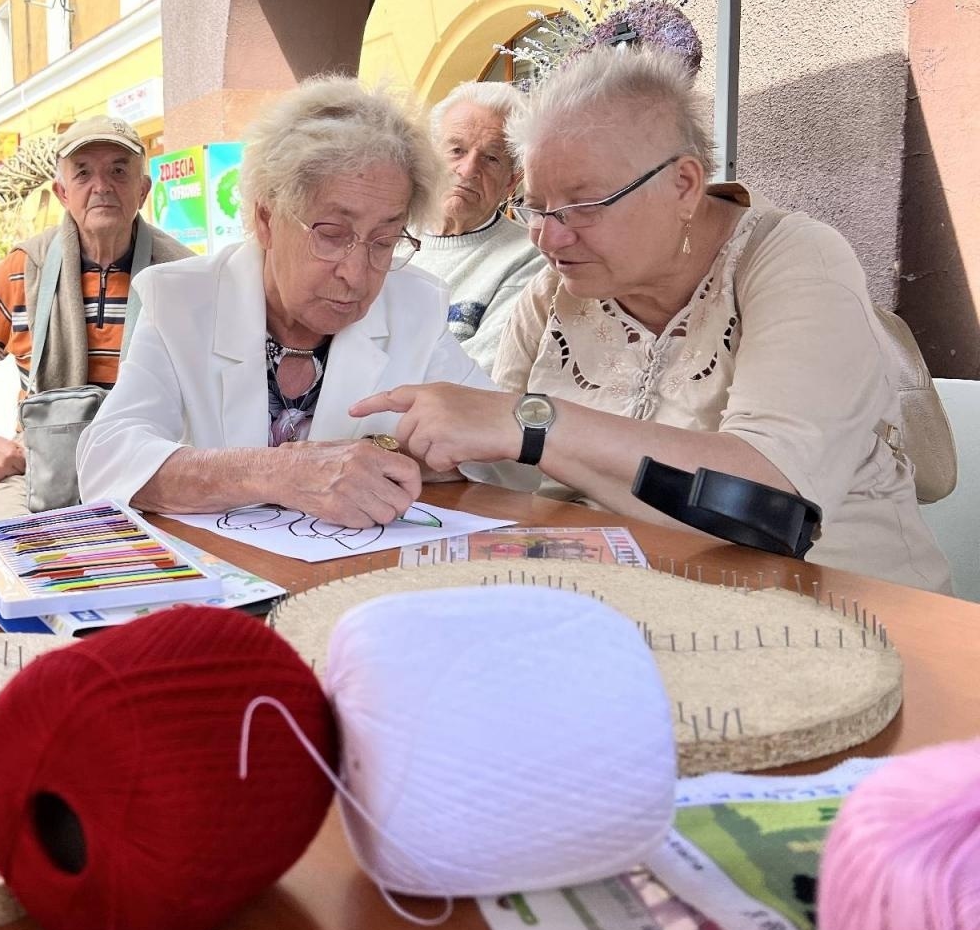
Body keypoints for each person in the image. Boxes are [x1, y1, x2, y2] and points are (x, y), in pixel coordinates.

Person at [351, 45, 950, 592]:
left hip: (840, 611)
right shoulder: (551, 294)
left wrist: (533, 422)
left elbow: (769, 498)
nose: (549, 238)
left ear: (683, 185)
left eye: (583, 206)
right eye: (535, 208)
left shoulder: (794, 258)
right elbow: (507, 470)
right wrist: (421, 454)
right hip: (622, 601)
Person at [76, 77, 532, 525]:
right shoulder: (183, 300)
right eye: (331, 235)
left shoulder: (412, 305)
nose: (357, 274)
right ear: (266, 219)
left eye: (384, 241)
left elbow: (506, 453)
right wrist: (282, 472)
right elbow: (107, 461)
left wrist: (395, 453)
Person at [0, 115, 191, 519]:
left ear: (143, 190)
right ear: (62, 193)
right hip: (40, 476)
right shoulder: (26, 268)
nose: (102, 186)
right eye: (83, 174)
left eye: (119, 171)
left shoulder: (181, 275)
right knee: (1, 549)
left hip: (149, 478)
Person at [411, 82, 546, 371]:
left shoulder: (529, 257)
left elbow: (479, 374)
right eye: (456, 150)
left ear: (511, 181)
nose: (469, 170)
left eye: (491, 158)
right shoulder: (384, 236)